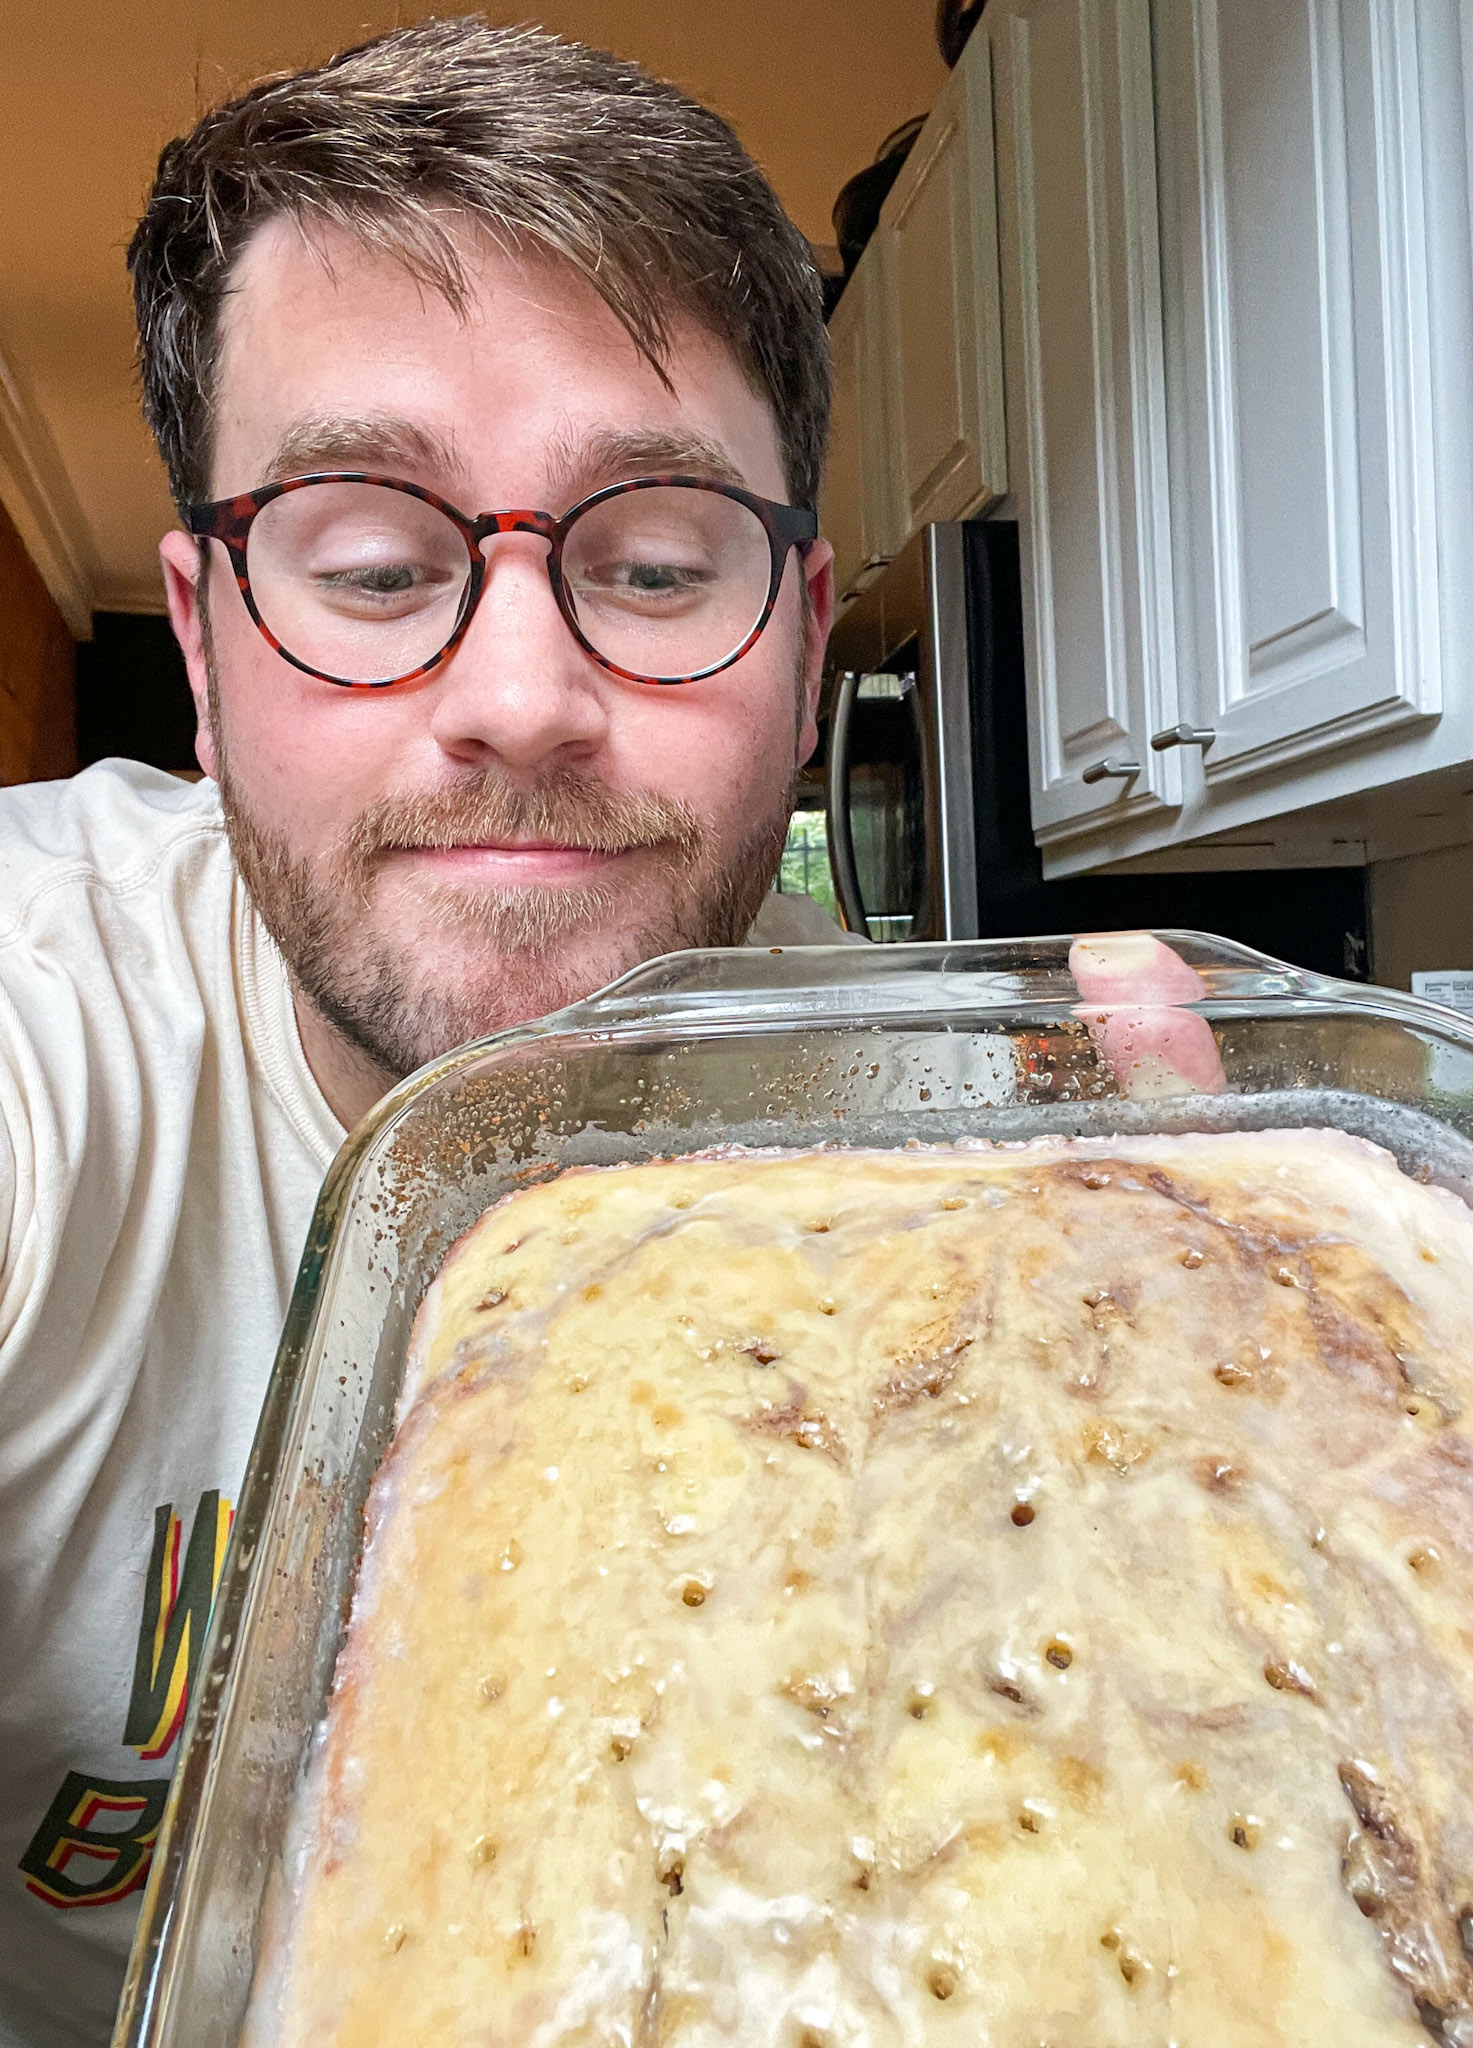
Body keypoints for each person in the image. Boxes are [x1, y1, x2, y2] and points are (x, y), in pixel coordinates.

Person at [0, 20, 849, 2043]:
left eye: (654, 563)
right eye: (376, 566)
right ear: (202, 652)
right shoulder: (47, 1035)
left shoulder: (907, 1149)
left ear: (805, 652)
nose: (524, 696)